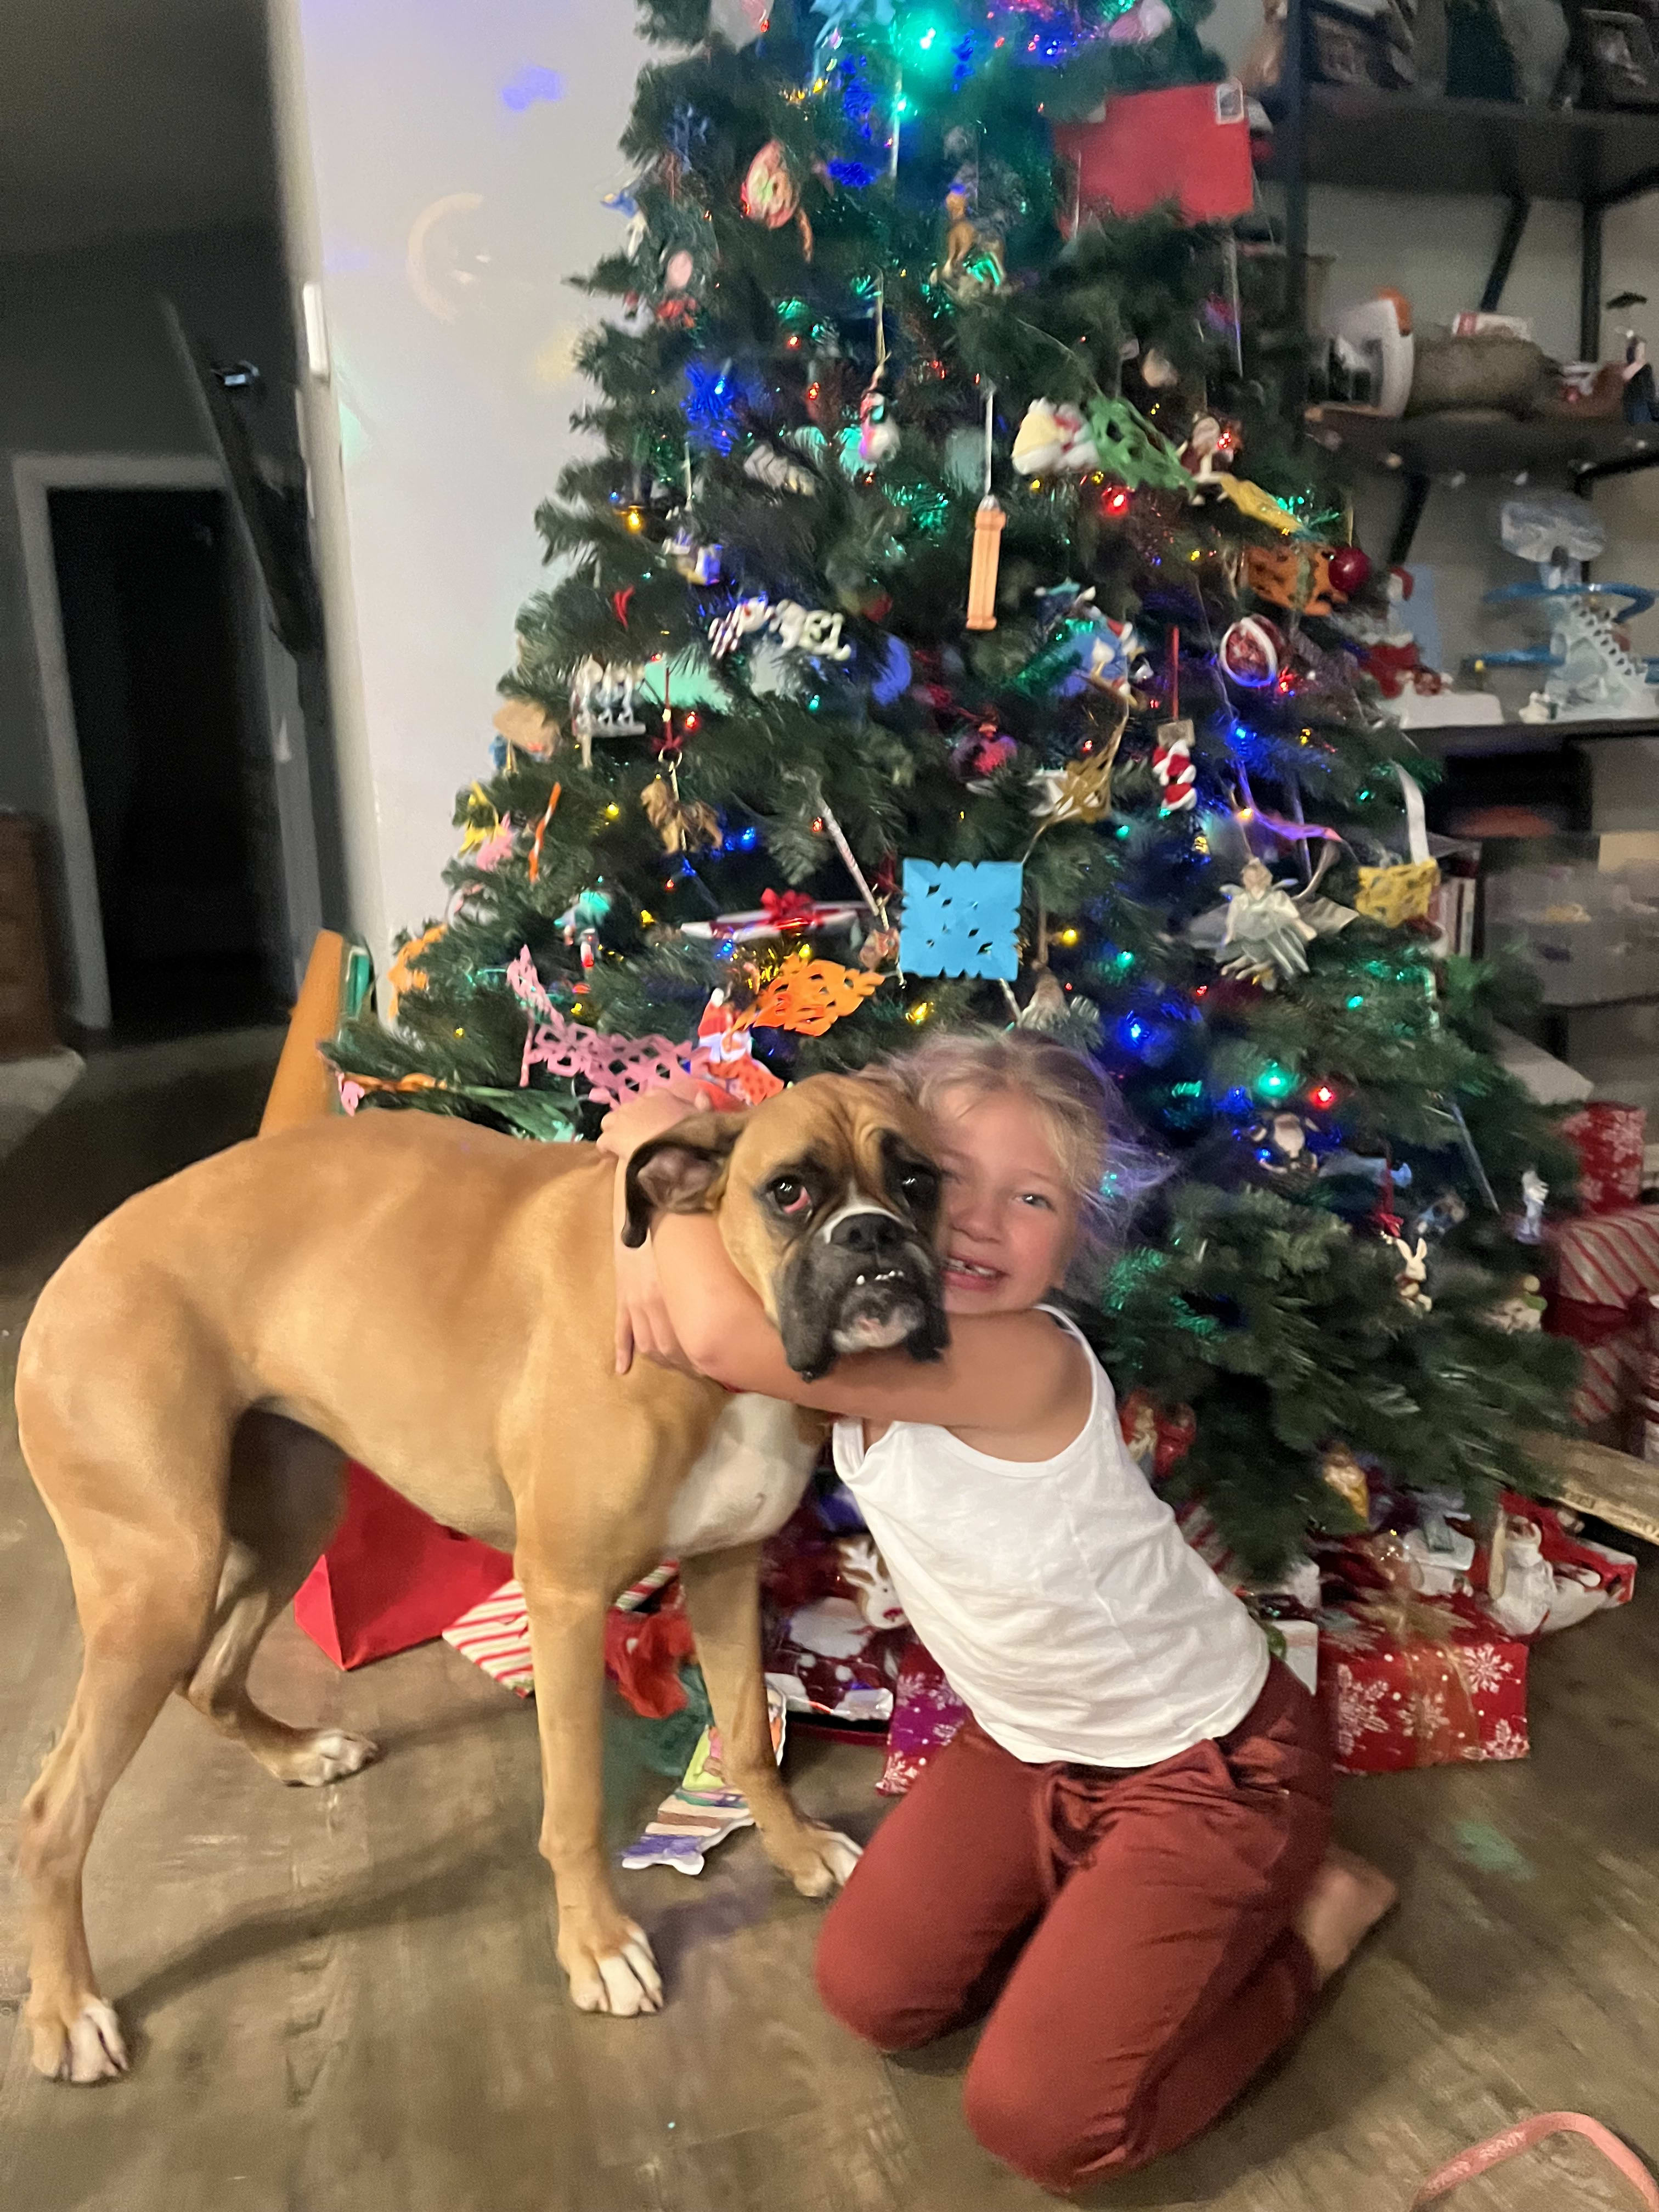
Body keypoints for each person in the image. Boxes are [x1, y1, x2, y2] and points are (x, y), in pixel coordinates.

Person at [600, 1030, 1395, 2193]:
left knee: (1043, 2123)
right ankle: (1105, 1914)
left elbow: (715, 1331)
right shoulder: (879, 1330)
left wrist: (638, 1175)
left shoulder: (1020, 1360)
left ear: (1078, 1233)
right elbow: (735, 1268)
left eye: (1030, 1198)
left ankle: (1319, 1917)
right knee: (873, 1994)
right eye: (945, 1183)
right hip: (1028, 1745)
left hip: (1210, 1763)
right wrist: (659, 1175)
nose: (975, 1225)